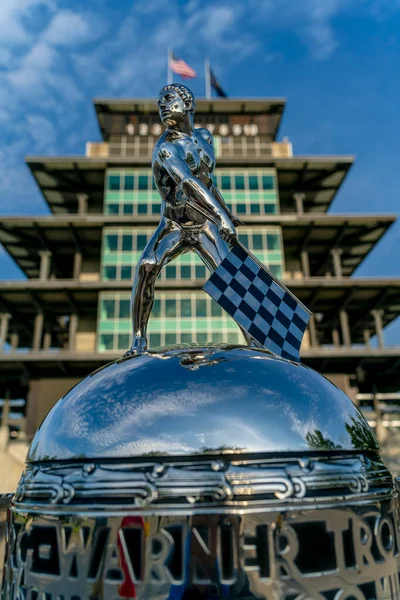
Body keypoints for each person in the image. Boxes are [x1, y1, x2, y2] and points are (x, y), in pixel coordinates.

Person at [127, 83, 254, 355]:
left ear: (187, 104)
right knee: (146, 266)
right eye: (159, 101)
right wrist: (221, 217)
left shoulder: (206, 138)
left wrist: (226, 212)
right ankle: (138, 339)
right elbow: (188, 183)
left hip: (203, 223)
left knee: (230, 274)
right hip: (174, 224)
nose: (162, 105)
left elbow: (208, 181)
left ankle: (253, 339)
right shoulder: (165, 149)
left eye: (169, 99)